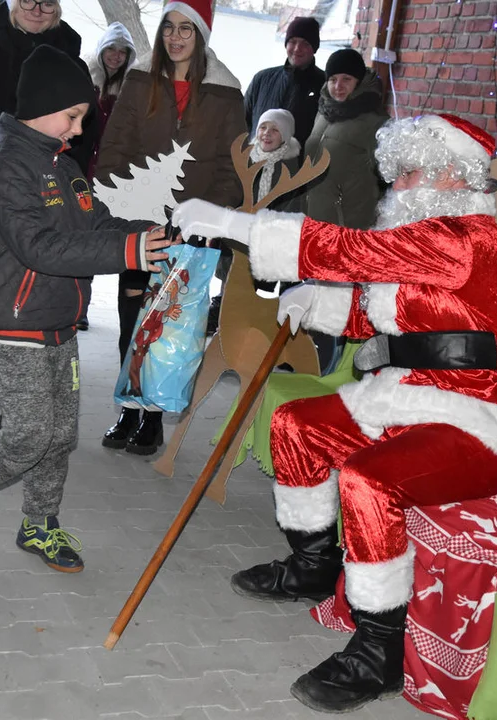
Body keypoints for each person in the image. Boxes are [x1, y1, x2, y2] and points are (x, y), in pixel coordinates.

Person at [172, 113, 497, 713]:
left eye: (408, 173)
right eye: (395, 174)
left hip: (484, 415)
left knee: (370, 481)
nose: (395, 187)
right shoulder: (426, 240)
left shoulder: (465, 237)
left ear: (453, 176)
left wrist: (236, 226)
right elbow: (387, 318)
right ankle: (313, 566)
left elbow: (351, 250)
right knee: (298, 426)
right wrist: (316, 303)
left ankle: (380, 651)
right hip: (411, 391)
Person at [0, 46, 174, 570]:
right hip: (12, 322)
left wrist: (144, 234)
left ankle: (39, 525)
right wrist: (127, 254)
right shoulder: (5, 166)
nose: (78, 129)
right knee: (29, 435)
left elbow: (91, 223)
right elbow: (39, 248)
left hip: (57, 320)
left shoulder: (64, 166)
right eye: (73, 116)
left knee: (59, 435)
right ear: (42, 104)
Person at [95, 0, 245, 455]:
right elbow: (114, 147)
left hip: (192, 231)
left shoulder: (225, 91)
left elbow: (232, 167)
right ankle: (128, 405)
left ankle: (153, 416)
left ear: (202, 36)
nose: (176, 38)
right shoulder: (140, 81)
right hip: (142, 225)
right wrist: (118, 206)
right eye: (168, 29)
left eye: (187, 29)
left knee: (170, 327)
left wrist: (207, 218)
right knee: (131, 316)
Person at [0, 0, 89, 433]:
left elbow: (83, 133)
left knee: (32, 299)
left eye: (47, 0)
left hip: (47, 196)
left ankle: (20, 402)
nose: (37, 8)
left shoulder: (72, 58)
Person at [302, 47, 389, 373]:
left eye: (347, 79)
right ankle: (309, 366)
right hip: (314, 225)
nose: (339, 86)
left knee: (338, 307)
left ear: (360, 81)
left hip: (348, 229)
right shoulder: (323, 113)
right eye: (334, 78)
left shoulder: (376, 123)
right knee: (314, 300)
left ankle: (331, 373)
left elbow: (387, 178)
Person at [244, 16, 323, 149]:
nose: (297, 48)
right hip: (255, 164)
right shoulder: (262, 79)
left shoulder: (324, 85)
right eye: (293, 41)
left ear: (314, 48)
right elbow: (241, 123)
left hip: (297, 166)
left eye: (305, 43)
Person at [248, 108, 302, 294]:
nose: (267, 133)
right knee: (234, 287)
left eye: (275, 129)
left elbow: (292, 210)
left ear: (285, 136)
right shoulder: (245, 160)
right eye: (263, 127)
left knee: (260, 294)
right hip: (239, 238)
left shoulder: (291, 170)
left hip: (270, 244)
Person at [83, 21, 135, 181]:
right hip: (82, 156)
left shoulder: (132, 88)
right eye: (111, 48)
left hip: (113, 163)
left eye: (122, 51)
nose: (116, 56)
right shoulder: (85, 78)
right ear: (102, 49)